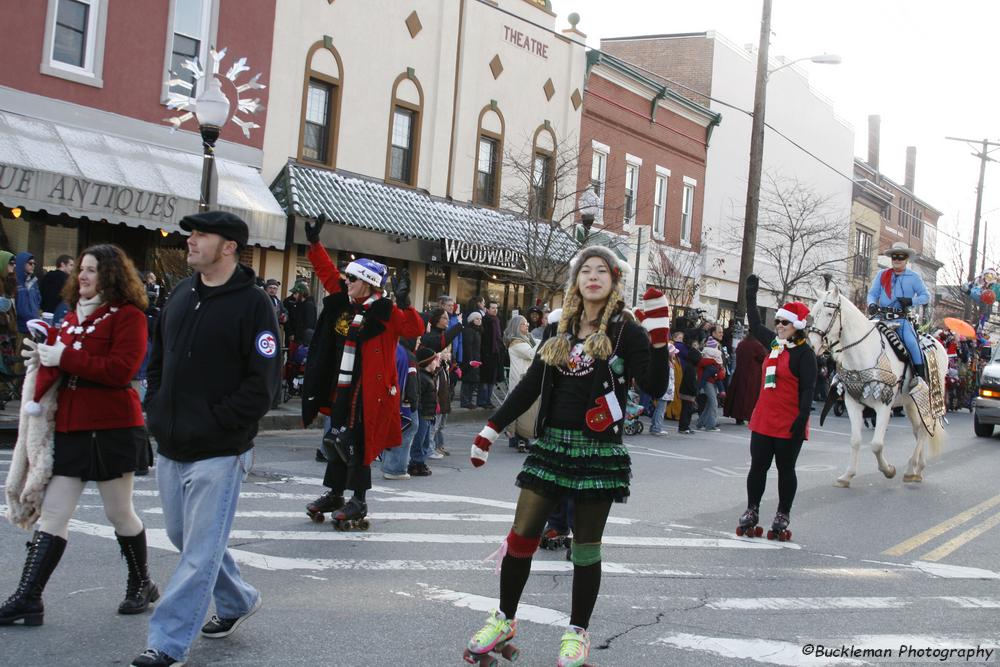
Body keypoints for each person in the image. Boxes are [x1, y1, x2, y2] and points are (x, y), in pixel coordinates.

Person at [463, 246, 669, 667]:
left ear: (613, 280)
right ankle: (504, 618)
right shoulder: (560, 329)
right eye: (584, 271)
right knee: (522, 535)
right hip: (552, 446)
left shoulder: (625, 331)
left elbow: (653, 384)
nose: (592, 277)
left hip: (599, 452)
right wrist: (490, 429)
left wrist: (661, 338)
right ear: (576, 281)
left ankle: (576, 633)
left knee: (586, 548)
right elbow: (529, 387)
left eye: (601, 271)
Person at [131, 211, 280, 667]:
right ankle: (238, 600)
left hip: (220, 449)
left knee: (198, 551)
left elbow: (264, 384)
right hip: (173, 444)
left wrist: (221, 422)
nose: (190, 241)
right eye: (190, 234)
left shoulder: (255, 305)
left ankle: (167, 643)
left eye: (201, 235)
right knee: (184, 537)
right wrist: (154, 405)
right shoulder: (180, 294)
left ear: (229, 246)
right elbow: (159, 360)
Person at [1, 244, 156, 628]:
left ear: (111, 276)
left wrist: (63, 358)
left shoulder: (129, 316)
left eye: (92, 271)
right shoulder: (70, 317)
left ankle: (141, 583)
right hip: (71, 427)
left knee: (119, 513)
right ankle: (28, 598)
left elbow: (122, 371)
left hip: (112, 429)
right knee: (53, 513)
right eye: (81, 270)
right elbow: (62, 364)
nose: (83, 276)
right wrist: (42, 359)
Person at [300, 215, 423, 527]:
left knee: (357, 443)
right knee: (335, 438)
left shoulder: (385, 312)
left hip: (369, 390)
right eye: (348, 278)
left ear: (368, 283)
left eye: (353, 279)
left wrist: (406, 301)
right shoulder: (345, 302)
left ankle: (359, 500)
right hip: (341, 384)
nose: (346, 281)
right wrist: (315, 245)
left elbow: (413, 327)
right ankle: (336, 492)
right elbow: (327, 274)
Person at [736, 274, 817, 541]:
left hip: (789, 421)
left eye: (785, 322)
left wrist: (802, 417)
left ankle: (783, 513)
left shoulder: (804, 353)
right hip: (764, 419)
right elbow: (756, 322)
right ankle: (752, 510)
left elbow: (808, 388)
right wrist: (750, 295)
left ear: (797, 326)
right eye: (778, 321)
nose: (779, 326)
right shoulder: (774, 344)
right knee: (758, 466)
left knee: (785, 469)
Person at [866, 241, 930, 389]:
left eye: (900, 257)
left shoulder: (914, 277)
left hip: (901, 320)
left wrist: (911, 301)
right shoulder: (882, 274)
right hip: (880, 317)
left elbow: (926, 296)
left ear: (906, 259)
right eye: (894, 256)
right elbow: (872, 294)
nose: (897, 260)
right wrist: (871, 305)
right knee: (861, 335)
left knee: (912, 343)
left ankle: (920, 378)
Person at [503, 314, 537, 452]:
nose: (527, 325)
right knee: (522, 411)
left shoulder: (524, 339)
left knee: (523, 410)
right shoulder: (516, 342)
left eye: (527, 323)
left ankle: (519, 439)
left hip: (523, 378)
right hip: (520, 379)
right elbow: (531, 354)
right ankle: (519, 439)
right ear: (517, 326)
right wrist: (545, 342)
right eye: (524, 324)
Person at [408, 347, 440, 475]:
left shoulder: (430, 376)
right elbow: (419, 397)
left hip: (429, 414)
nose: (436, 363)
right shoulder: (422, 377)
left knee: (426, 441)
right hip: (422, 414)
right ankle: (415, 463)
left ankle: (421, 462)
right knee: (419, 441)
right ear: (427, 362)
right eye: (434, 360)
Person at [724, 331, 767, 425]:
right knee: (750, 396)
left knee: (739, 395)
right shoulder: (757, 345)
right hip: (753, 375)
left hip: (740, 372)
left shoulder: (742, 344)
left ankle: (738, 417)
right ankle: (749, 416)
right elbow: (763, 358)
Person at [695, 340, 725, 432]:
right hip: (709, 383)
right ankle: (711, 425)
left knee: (709, 404)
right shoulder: (712, 362)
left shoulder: (708, 361)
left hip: (709, 383)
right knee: (713, 403)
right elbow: (717, 375)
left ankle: (701, 423)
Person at [478, 301, 502, 409]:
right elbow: (484, 338)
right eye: (492, 308)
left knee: (492, 379)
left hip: (495, 354)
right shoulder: (485, 320)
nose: (495, 310)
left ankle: (488, 400)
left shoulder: (496, 320)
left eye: (496, 308)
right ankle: (483, 401)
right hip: (486, 354)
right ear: (487, 309)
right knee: (485, 379)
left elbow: (498, 337)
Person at [38, 254, 74, 325]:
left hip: (45, 314)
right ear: (63, 264)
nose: (72, 268)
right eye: (71, 265)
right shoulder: (67, 280)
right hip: (60, 315)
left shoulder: (47, 277)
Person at [460, 311, 483, 408]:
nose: (479, 321)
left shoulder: (477, 331)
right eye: (477, 319)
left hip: (476, 358)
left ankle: (468, 401)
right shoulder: (469, 331)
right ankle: (465, 401)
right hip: (470, 359)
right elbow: (468, 346)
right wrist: (470, 361)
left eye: (480, 319)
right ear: (471, 320)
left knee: (473, 380)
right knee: (467, 380)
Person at [14, 251, 41, 336]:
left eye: (34, 264)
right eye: (30, 263)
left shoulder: (33, 282)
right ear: (22, 264)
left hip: (34, 326)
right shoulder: (15, 283)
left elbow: (38, 300)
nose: (33, 265)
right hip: (20, 328)